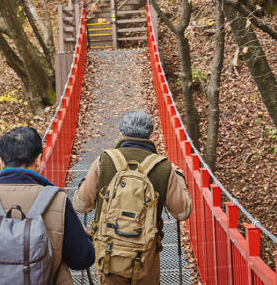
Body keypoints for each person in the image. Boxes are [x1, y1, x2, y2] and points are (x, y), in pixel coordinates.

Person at [0, 126, 94, 283]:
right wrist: (85, 237)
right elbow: (82, 259)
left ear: (0, 161)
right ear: (38, 160)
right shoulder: (57, 201)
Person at [73, 111, 192, 284]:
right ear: (150, 133)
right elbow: (182, 213)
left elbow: (80, 205)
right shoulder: (164, 168)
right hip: (146, 256)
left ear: (122, 132)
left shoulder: (104, 161)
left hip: (108, 254)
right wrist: (179, 178)